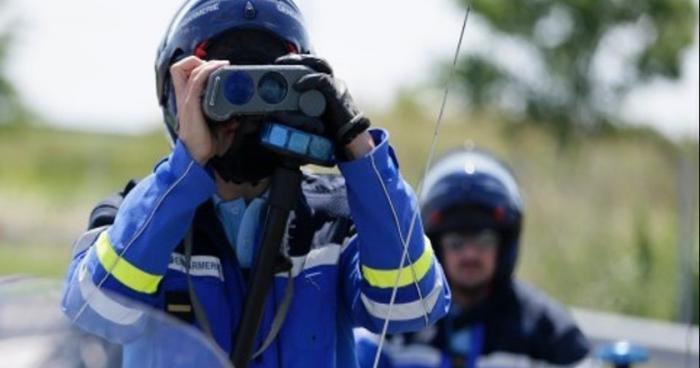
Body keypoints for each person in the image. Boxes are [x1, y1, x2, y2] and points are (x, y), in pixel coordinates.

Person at [60, 0, 451, 367]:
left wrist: (358, 147)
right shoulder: (137, 214)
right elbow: (95, 311)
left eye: (270, 85)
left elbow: (411, 303)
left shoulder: (337, 219)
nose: (246, 108)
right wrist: (184, 171)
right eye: (227, 86)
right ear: (175, 97)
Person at [356, 149, 590, 367]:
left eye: (483, 241)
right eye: (456, 243)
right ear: (435, 245)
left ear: (505, 244)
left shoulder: (549, 331)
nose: (469, 254)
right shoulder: (397, 319)